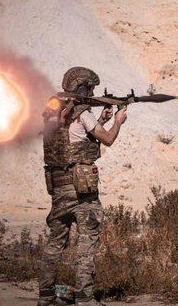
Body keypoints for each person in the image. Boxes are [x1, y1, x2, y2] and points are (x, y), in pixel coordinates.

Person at [38, 67, 127, 306]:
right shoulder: (80, 112)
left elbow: (74, 142)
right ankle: (85, 298)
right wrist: (117, 122)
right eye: (90, 88)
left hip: (58, 187)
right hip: (80, 190)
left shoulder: (53, 112)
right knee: (87, 241)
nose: (92, 92)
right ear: (82, 87)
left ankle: (45, 296)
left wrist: (100, 120)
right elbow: (107, 139)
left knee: (55, 242)